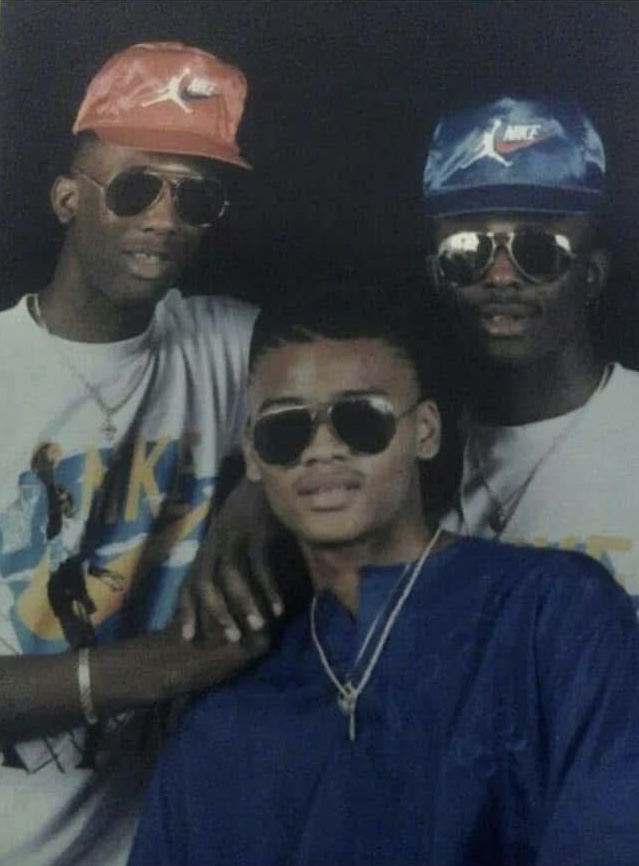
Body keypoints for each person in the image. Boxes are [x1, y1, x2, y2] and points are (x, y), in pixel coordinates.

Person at [129, 284, 639, 866]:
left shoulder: (555, 614)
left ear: (426, 431)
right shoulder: (226, 717)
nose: (322, 450)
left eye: (361, 420)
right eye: (285, 429)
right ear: (252, 453)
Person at [0, 41, 277, 865]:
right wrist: (152, 670)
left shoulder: (225, 341)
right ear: (66, 198)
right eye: (134, 188)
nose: (164, 217)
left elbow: (375, 353)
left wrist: (257, 491)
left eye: (196, 197)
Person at [422, 96, 639, 606]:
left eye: (537, 251)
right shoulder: (409, 450)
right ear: (437, 274)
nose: (500, 277)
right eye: (468, 251)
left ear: (592, 273)